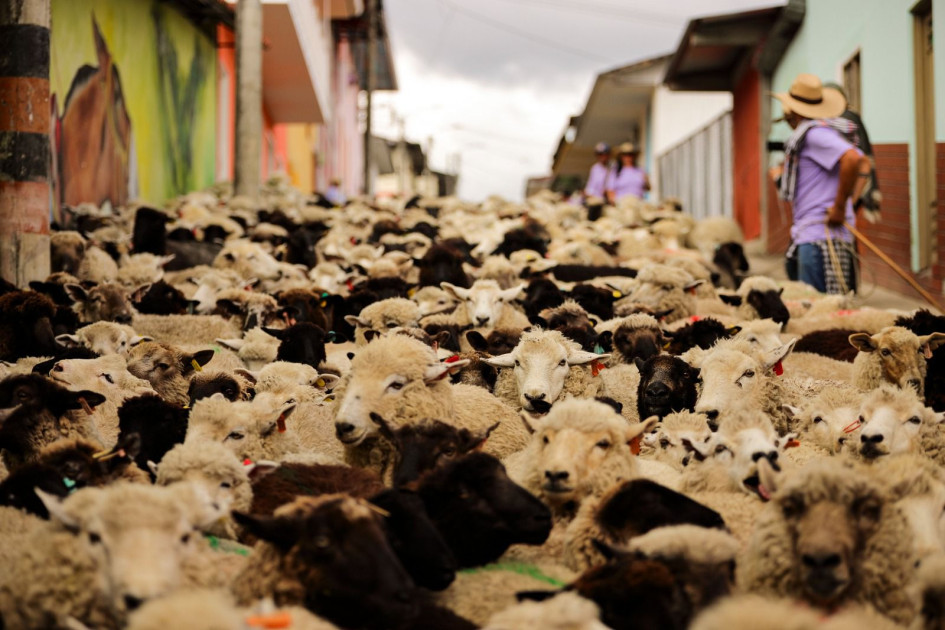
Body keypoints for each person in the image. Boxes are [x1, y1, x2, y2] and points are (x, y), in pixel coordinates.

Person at [773, 73, 871, 295]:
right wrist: (848, 204)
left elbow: (853, 159)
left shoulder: (815, 134)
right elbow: (862, 161)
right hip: (814, 234)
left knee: (820, 309)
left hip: (820, 238)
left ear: (795, 111)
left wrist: (840, 207)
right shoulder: (818, 133)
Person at [823, 82, 882, 223]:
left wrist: (850, 201)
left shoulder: (845, 117)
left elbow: (858, 158)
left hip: (852, 182)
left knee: (843, 222)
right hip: (850, 182)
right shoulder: (845, 116)